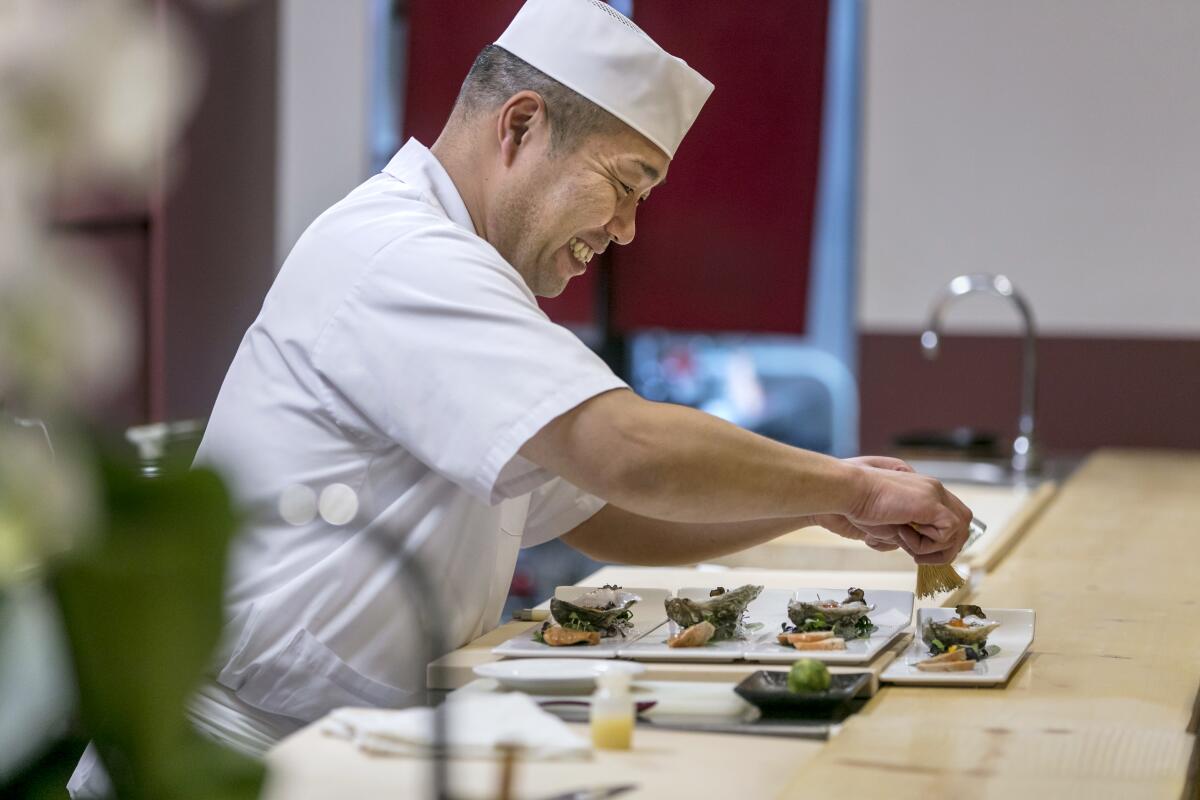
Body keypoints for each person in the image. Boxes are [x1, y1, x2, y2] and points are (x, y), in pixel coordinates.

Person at [69, 0, 971, 794]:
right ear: (521, 125)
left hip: (360, 742)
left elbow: (605, 511)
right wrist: (849, 487)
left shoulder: (466, 269)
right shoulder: (404, 255)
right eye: (623, 188)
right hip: (234, 761)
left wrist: (819, 511)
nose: (623, 232)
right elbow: (629, 452)